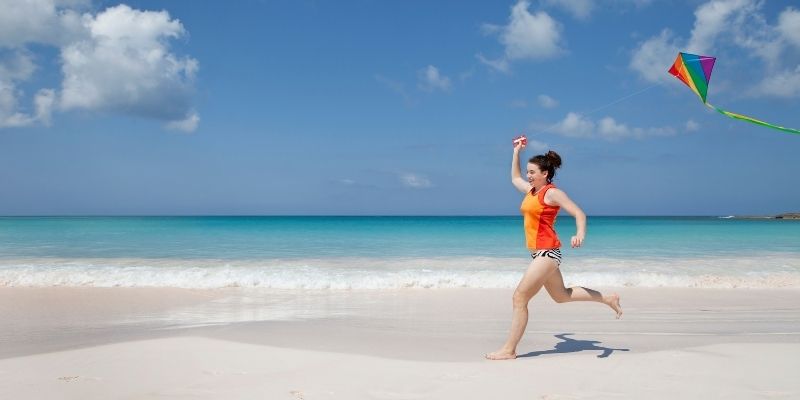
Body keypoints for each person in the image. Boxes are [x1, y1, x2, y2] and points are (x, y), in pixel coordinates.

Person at [485, 141, 622, 361]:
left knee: (519, 297)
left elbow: (579, 213)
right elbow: (514, 178)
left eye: (532, 172)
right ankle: (607, 299)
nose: (528, 176)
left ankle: (509, 350)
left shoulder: (552, 193)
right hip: (540, 253)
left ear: (544, 173)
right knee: (562, 296)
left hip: (548, 252)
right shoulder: (531, 191)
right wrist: (516, 152)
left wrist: (580, 234)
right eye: (528, 172)